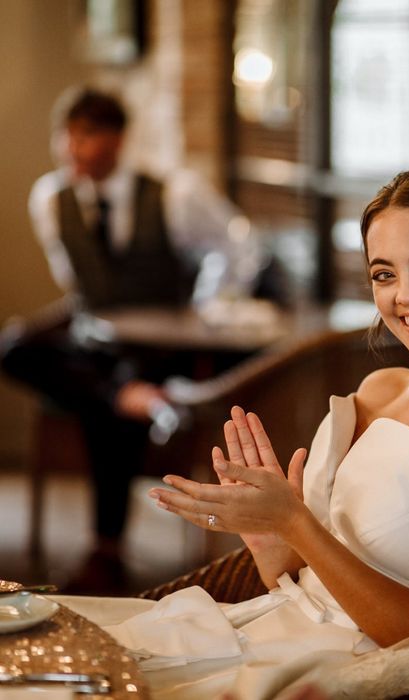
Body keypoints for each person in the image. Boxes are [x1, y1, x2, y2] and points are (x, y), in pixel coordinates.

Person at [54, 166, 409, 699]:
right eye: (383, 273)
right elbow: (311, 586)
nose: (405, 296)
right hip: (266, 626)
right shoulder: (379, 389)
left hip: (337, 673)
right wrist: (272, 544)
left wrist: (296, 523)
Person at [0, 86, 269, 594]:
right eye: (67, 136)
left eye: (87, 136)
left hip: (164, 344)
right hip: (97, 337)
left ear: (117, 139)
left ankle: (107, 549)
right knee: (14, 348)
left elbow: (239, 243)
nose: (72, 149)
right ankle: (124, 395)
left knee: (113, 396)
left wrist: (205, 307)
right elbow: (73, 280)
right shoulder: (50, 199)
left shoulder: (174, 193)